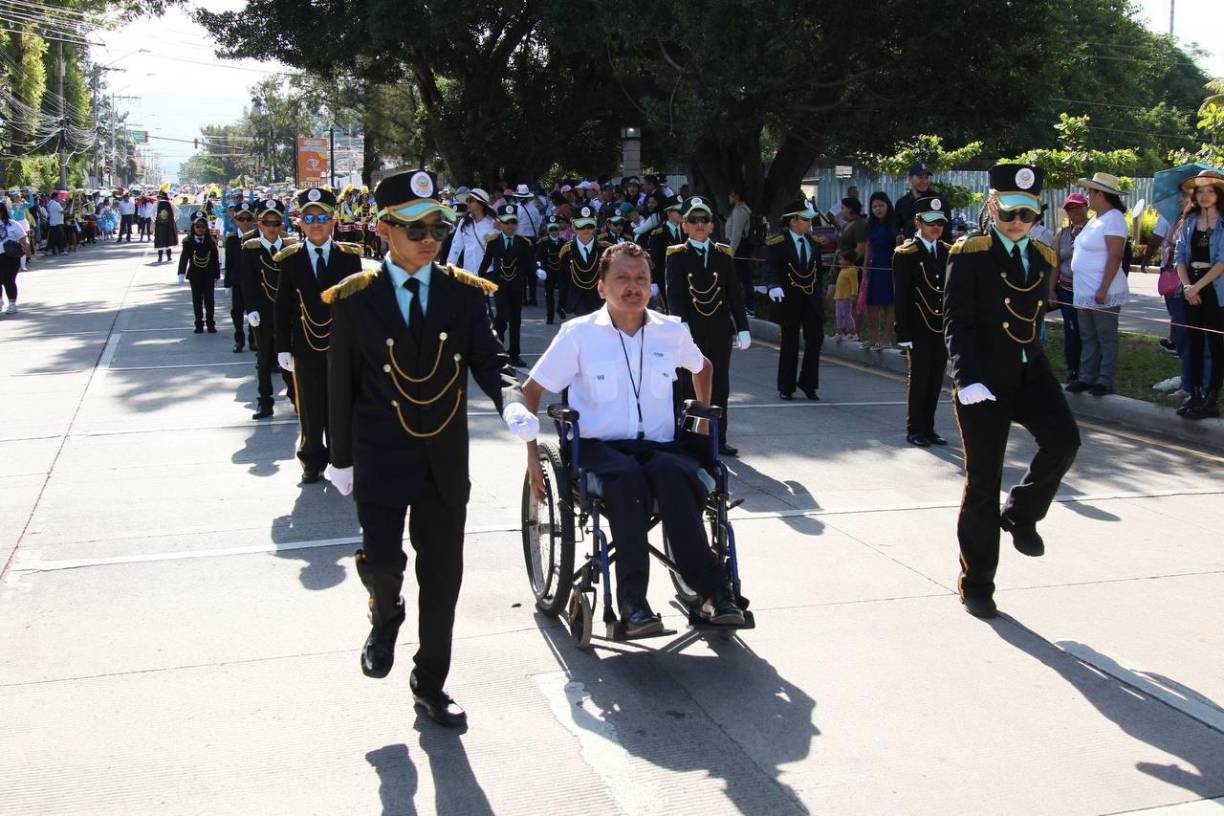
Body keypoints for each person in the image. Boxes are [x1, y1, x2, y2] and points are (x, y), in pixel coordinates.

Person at [322, 168, 527, 727]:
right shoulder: (355, 299)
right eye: (416, 229)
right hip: (380, 455)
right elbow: (339, 384)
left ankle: (430, 680)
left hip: (442, 460)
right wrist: (339, 458)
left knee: (443, 579)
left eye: (437, 225)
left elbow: (490, 359)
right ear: (385, 229)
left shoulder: (463, 295)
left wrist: (508, 399)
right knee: (385, 565)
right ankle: (385, 615)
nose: (431, 238)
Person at [521, 241, 746, 637]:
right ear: (602, 286)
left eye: (641, 279)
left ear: (652, 286)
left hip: (659, 447)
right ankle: (633, 605)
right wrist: (530, 458)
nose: (633, 287)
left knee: (676, 477)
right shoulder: (578, 335)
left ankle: (716, 594)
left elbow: (704, 366)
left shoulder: (671, 331)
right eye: (622, 278)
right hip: (599, 448)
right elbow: (533, 390)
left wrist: (705, 417)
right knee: (627, 482)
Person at [944, 163, 1080, 619]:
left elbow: (1034, 320)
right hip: (984, 379)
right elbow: (956, 320)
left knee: (1065, 440)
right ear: (991, 208)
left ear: (1038, 213)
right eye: (1008, 214)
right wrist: (965, 377)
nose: (1017, 223)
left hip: (1028, 371)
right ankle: (977, 581)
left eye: (1026, 214)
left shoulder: (1043, 256)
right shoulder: (970, 253)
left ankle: (1021, 513)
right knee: (983, 483)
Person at [274, 187, 363, 484]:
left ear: (333, 221)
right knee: (310, 406)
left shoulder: (349, 257)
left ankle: (342, 458)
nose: (316, 223)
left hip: (342, 346)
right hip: (305, 344)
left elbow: (358, 303)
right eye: (309, 217)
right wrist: (282, 347)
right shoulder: (290, 258)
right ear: (300, 222)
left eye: (322, 217)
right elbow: (283, 306)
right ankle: (312, 458)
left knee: (342, 404)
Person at [665, 196, 751, 456]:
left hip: (719, 328)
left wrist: (743, 326)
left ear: (713, 226)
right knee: (688, 385)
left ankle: (718, 438)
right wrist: (680, 324)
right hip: (691, 330)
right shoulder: (677, 255)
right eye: (693, 220)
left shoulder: (722, 254)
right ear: (685, 226)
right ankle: (690, 437)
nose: (699, 224)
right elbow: (675, 293)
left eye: (704, 220)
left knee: (720, 384)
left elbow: (733, 293)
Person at [893, 197, 951, 447]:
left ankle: (929, 427)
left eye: (940, 222)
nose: (936, 227)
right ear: (918, 222)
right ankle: (915, 428)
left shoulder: (948, 252)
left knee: (936, 378)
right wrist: (902, 331)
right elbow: (902, 295)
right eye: (930, 222)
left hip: (941, 327)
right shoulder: (906, 254)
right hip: (918, 327)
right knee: (919, 379)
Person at [1067, 172, 1130, 397]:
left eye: (1090, 192)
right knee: (1088, 335)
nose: (1087, 196)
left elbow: (1115, 255)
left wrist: (1103, 288)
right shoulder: (1096, 219)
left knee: (1105, 336)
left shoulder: (1114, 218)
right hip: (1085, 290)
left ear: (1101, 194)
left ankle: (1105, 379)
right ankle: (1087, 376)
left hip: (1102, 289)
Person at [1173, 170, 1224, 420]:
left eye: (1210, 191)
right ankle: (1194, 394)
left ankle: (1212, 398)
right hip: (1190, 285)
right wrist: (1186, 286)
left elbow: (1221, 262)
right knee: (1193, 342)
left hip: (1213, 288)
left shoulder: (1223, 223)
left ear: (1218, 195)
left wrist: (1198, 287)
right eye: (1200, 191)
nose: (1204, 195)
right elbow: (1179, 256)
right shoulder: (1189, 221)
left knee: (1216, 345)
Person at [241, 198, 295, 420]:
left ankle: (296, 397)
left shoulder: (291, 248)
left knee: (289, 358)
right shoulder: (250, 248)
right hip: (263, 313)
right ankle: (265, 402)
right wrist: (250, 308)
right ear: (259, 224)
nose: (272, 227)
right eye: (267, 222)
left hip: (287, 313)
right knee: (264, 359)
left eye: (276, 223)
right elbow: (247, 282)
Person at [766, 199, 825, 401]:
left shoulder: (814, 243)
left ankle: (809, 383)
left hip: (811, 301)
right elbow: (771, 267)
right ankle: (786, 386)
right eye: (805, 219)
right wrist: (773, 285)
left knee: (815, 341)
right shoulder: (778, 243)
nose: (809, 223)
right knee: (789, 344)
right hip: (789, 301)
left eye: (810, 219)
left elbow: (818, 273)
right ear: (792, 221)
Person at [478, 203, 533, 366]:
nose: (510, 226)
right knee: (501, 318)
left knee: (515, 320)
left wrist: (536, 271)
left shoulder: (523, 243)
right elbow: (485, 262)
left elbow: (528, 264)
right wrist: (479, 279)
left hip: (517, 286)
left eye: (513, 222)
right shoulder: (493, 242)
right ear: (500, 223)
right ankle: (499, 351)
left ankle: (514, 354)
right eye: (507, 222)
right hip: (500, 286)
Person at [1049, 193, 1088, 384]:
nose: (1075, 211)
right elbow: (1055, 263)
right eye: (1071, 208)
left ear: (1086, 207)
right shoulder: (1062, 234)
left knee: (1088, 331)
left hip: (1087, 290)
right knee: (1071, 329)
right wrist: (1051, 289)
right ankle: (1073, 368)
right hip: (1066, 289)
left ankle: (1090, 370)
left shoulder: (1093, 229)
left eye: (1079, 207)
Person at [558, 205, 610, 317]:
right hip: (577, 299)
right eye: (581, 226)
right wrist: (561, 303)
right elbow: (564, 279)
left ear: (595, 226)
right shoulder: (567, 251)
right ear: (573, 227)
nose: (586, 230)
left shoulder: (605, 249)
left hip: (600, 300)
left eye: (589, 226)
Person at [861, 192, 898, 349]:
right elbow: (868, 247)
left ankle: (886, 339)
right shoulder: (871, 224)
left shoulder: (894, 224)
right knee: (872, 304)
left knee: (889, 305)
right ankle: (873, 337)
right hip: (874, 267)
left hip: (890, 267)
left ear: (888, 205)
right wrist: (865, 269)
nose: (878, 209)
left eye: (881, 205)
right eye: (874, 206)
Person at [177, 213, 221, 334]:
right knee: (197, 300)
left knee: (209, 300)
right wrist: (181, 273)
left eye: (203, 226)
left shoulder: (211, 241)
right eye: (198, 226)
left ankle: (211, 323)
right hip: (195, 275)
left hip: (209, 275)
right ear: (193, 227)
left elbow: (215, 259)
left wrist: (217, 275)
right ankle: (198, 324)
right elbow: (184, 258)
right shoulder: (188, 241)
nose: (200, 229)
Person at [223, 202, 257, 353]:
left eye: (248, 219)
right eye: (241, 219)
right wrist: (227, 283)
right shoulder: (231, 238)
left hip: (255, 282)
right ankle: (239, 340)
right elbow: (229, 262)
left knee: (254, 311)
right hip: (238, 281)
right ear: (235, 220)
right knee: (237, 311)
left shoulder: (257, 238)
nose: (245, 222)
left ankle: (253, 339)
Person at [646, 195, 684, 310]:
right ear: (669, 212)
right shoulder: (658, 234)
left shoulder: (688, 231)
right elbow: (657, 264)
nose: (683, 214)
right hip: (667, 281)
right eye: (679, 211)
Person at [445, 187, 495, 272]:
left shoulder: (493, 223)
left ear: (481, 204)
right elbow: (456, 246)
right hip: (469, 272)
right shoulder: (464, 222)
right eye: (467, 200)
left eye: (471, 201)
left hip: (488, 272)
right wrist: (450, 266)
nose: (467, 203)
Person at [893, 163, 948, 240]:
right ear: (910, 178)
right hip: (909, 249)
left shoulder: (939, 200)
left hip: (933, 250)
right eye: (920, 177)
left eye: (926, 178)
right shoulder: (901, 203)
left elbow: (947, 231)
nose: (924, 181)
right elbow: (896, 229)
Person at [0, 201, 32, 314]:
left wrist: (28, 252)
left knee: (8, 280)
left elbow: (24, 238)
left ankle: (12, 304)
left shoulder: (13, 224)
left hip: (10, 256)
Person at [725, 189, 754, 309]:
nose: (729, 197)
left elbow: (736, 233)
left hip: (739, 246)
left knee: (741, 278)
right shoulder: (738, 209)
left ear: (737, 195)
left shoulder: (740, 210)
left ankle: (748, 306)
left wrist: (730, 252)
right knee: (741, 277)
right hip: (738, 245)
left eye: (731, 195)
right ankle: (743, 305)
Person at [535, 215, 565, 324]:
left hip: (560, 271)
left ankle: (560, 308)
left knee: (563, 293)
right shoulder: (543, 242)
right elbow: (538, 257)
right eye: (551, 229)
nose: (553, 232)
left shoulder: (563, 242)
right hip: (548, 271)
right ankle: (550, 316)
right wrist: (539, 268)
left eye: (555, 229)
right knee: (549, 294)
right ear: (548, 230)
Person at [832, 249, 860, 340]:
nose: (839, 262)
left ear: (848, 261)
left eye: (841, 260)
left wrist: (853, 295)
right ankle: (840, 332)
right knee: (839, 315)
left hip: (846, 297)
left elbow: (854, 284)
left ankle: (853, 333)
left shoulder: (852, 270)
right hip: (839, 297)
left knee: (847, 315)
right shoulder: (843, 269)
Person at [154, 195, 179, 264]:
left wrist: (155, 221)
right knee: (169, 240)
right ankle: (169, 257)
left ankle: (160, 257)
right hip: (169, 224)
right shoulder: (170, 203)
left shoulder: (157, 203)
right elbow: (178, 212)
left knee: (160, 240)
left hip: (160, 225)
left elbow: (151, 214)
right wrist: (173, 220)